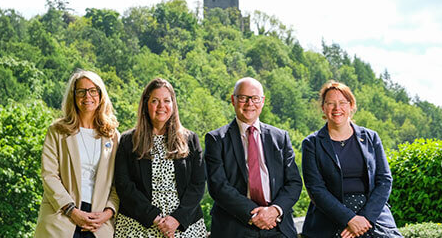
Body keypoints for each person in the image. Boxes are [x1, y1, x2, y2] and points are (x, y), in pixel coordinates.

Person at [301, 80, 402, 238]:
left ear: (351, 105)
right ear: (323, 107)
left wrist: (365, 219)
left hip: (371, 213)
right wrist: (349, 219)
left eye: (342, 102)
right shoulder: (311, 143)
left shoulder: (371, 137)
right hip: (330, 215)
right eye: (330, 103)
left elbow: (384, 180)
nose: (337, 108)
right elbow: (315, 189)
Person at [205, 77, 302, 238]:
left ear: (262, 101)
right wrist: (255, 215)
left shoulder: (280, 138)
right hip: (235, 225)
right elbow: (218, 186)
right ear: (233, 100)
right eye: (243, 98)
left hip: (277, 226)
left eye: (255, 98)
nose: (250, 103)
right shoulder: (216, 139)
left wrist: (274, 210)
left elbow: (294, 183)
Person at [114, 78, 207, 238]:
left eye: (166, 101)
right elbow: (124, 185)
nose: (161, 106)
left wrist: (176, 219)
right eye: (155, 101)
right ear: (145, 104)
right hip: (137, 226)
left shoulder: (189, 140)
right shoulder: (129, 141)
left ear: (173, 104)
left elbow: (197, 184)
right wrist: (154, 218)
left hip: (183, 226)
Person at [34, 70, 120, 238]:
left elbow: (118, 182)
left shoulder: (113, 136)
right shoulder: (57, 131)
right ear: (73, 96)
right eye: (81, 91)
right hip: (61, 217)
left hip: (98, 224)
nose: (87, 96)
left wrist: (108, 212)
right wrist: (72, 211)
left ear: (101, 95)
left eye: (93, 90)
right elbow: (49, 175)